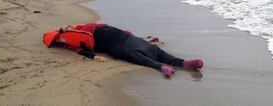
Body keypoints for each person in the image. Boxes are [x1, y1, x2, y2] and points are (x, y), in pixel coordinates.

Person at [47, 23, 203, 78]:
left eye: (68, 25)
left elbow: (121, 30)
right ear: (62, 33)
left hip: (121, 35)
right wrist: (94, 57)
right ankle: (161, 67)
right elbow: (78, 50)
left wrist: (141, 37)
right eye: (66, 28)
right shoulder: (69, 40)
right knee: (132, 55)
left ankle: (185, 63)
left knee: (152, 49)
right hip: (110, 46)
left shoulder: (82, 26)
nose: (70, 26)